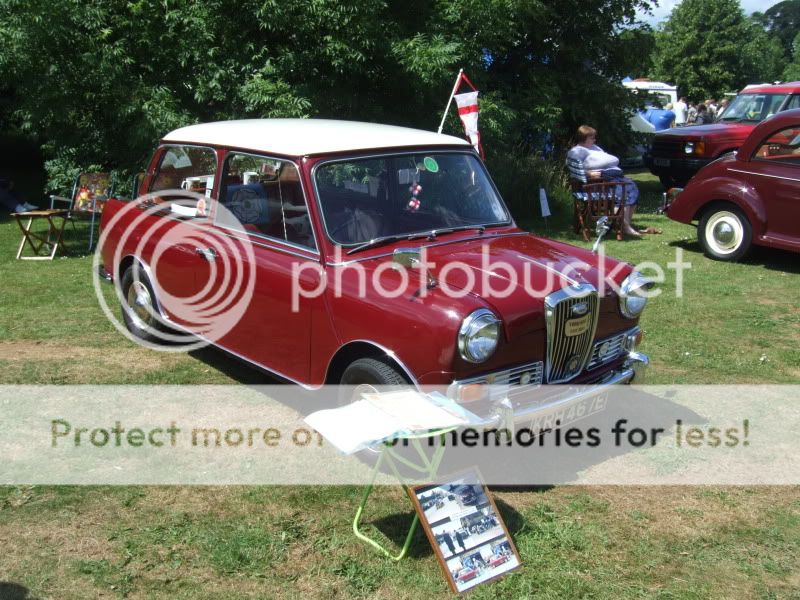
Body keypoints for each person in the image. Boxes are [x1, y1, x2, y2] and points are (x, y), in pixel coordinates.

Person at [567, 125, 641, 238]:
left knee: (633, 190)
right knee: (622, 194)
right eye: (591, 138)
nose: (594, 140)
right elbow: (574, 169)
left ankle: (626, 225)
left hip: (614, 176)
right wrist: (588, 173)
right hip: (599, 181)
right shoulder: (576, 151)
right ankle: (624, 227)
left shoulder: (595, 147)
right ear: (583, 138)